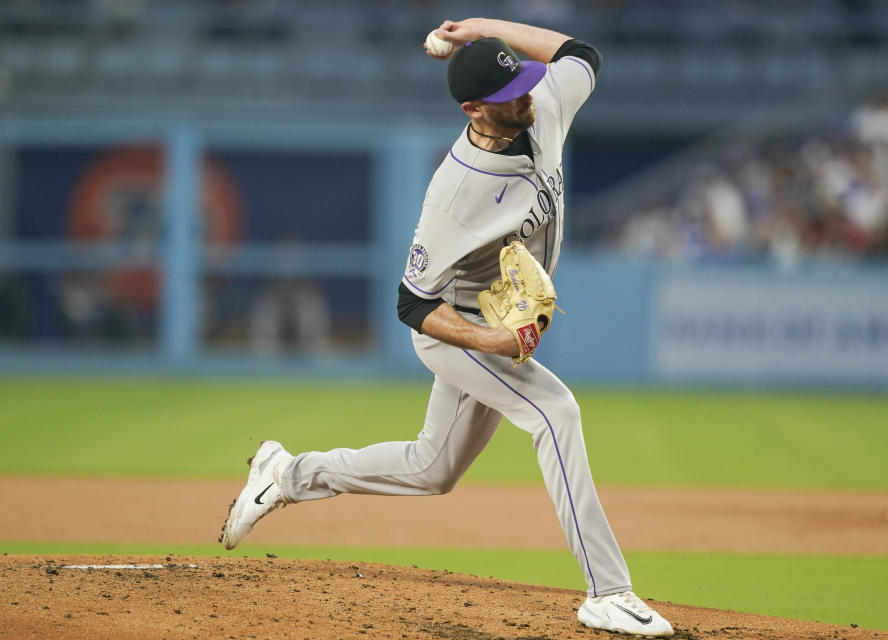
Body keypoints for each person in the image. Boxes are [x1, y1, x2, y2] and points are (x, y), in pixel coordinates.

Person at [220, 17, 674, 638]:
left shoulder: (541, 104)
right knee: (555, 412)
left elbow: (581, 53)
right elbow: (410, 303)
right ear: (473, 110)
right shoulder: (454, 192)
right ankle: (608, 591)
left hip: (487, 320)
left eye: (525, 85)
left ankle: (287, 473)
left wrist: (484, 27)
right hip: (452, 326)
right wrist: (491, 342)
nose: (527, 98)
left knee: (432, 469)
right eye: (510, 96)